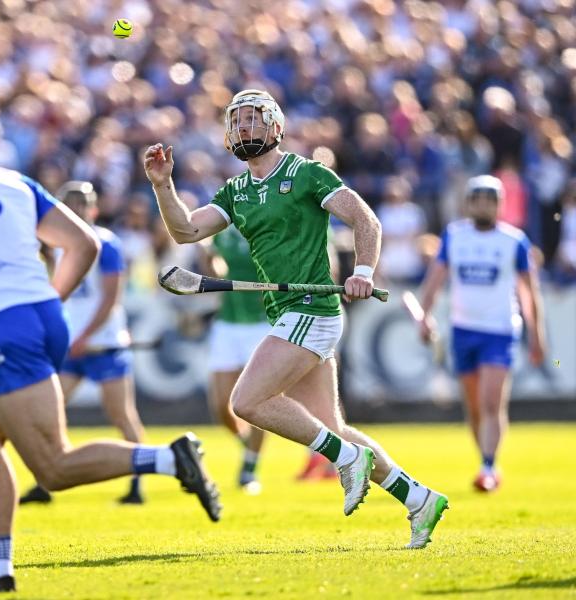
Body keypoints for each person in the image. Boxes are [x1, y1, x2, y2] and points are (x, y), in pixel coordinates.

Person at [0, 102, 221, 595]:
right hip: (45, 316)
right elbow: (84, 245)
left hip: (8, 329)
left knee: (53, 467)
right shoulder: (12, 180)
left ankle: (170, 459)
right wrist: (48, 300)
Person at [143, 89, 447, 549]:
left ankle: (346, 459)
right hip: (287, 314)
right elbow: (185, 230)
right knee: (333, 427)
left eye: (252, 119)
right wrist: (162, 185)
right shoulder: (236, 191)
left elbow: (366, 220)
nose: (243, 128)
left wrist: (363, 272)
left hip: (312, 310)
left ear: (275, 127)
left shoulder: (307, 174)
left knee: (246, 402)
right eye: (236, 121)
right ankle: (419, 499)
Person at [19, 180, 147, 505]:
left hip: (103, 343)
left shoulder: (106, 243)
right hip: (72, 344)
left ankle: (138, 483)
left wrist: (86, 335)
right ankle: (45, 479)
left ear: (93, 209)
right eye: (70, 205)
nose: (76, 211)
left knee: (121, 415)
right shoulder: (57, 246)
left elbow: (110, 298)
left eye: (81, 205)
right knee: (49, 412)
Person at [418, 175, 546, 492]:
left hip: (500, 331)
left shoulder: (514, 241)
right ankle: (486, 461)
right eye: (478, 201)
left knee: (491, 402)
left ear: (499, 205)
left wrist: (536, 334)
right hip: (463, 330)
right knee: (474, 408)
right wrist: (424, 316)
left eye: (491, 201)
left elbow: (529, 291)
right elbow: (435, 280)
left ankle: (488, 467)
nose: (484, 207)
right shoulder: (454, 236)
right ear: (469, 204)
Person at [198, 227, 270, 494]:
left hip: (262, 322)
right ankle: (247, 442)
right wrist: (206, 255)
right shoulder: (222, 228)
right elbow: (217, 273)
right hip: (228, 322)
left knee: (258, 402)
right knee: (221, 406)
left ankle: (250, 468)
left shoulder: (266, 224)